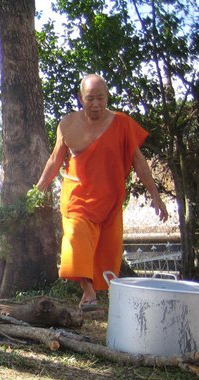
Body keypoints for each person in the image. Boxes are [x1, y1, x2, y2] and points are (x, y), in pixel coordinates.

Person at [36, 74, 168, 309]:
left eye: (100, 98)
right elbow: (55, 160)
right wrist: (38, 189)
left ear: (107, 97)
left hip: (109, 198)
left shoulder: (122, 123)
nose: (96, 104)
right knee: (76, 238)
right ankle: (87, 293)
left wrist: (156, 197)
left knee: (107, 249)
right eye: (90, 99)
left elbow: (139, 162)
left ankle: (102, 292)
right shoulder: (67, 124)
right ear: (80, 98)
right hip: (77, 197)